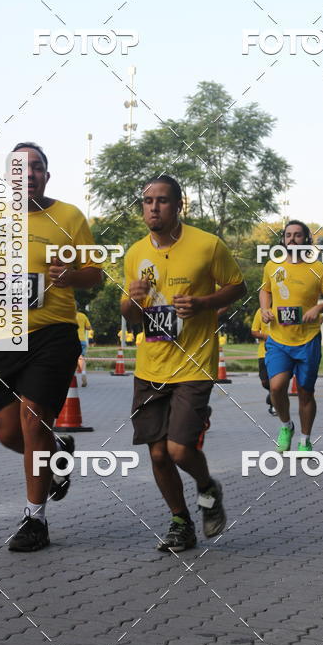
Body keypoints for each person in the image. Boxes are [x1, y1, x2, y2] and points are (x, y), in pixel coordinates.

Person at [0, 142, 103, 552]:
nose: (28, 174)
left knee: (32, 420)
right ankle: (59, 451)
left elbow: (95, 274)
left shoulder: (69, 217)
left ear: (47, 175)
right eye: (19, 169)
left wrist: (71, 276)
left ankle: (35, 520)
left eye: (37, 168)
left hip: (53, 332)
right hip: (6, 333)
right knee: (10, 432)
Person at [121, 175, 246, 554]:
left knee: (178, 450)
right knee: (157, 453)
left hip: (193, 366)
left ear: (179, 205)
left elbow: (237, 287)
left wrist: (205, 303)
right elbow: (128, 315)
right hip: (150, 366)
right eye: (147, 200)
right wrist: (134, 301)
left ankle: (207, 486)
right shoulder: (135, 254)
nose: (153, 207)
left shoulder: (208, 245)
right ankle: (180, 521)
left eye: (162, 200)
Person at [259, 220, 323, 453]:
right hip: (279, 338)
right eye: (288, 235)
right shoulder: (272, 266)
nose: (292, 239)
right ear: (283, 240)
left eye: (297, 235)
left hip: (307, 339)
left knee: (305, 391)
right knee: (276, 387)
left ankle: (305, 439)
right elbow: (265, 289)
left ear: (306, 240)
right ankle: (286, 426)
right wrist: (266, 309)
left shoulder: (319, 269)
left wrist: (318, 308)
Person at [251, 308, 274, 415]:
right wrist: (267, 337)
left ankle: (274, 405)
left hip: (280, 351)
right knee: (265, 381)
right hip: (263, 352)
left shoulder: (283, 308)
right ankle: (272, 393)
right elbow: (254, 331)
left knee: (277, 380)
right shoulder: (260, 311)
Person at [75, 308, 92, 388]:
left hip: (70, 340)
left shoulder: (68, 314)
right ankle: (83, 373)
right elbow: (88, 327)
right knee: (81, 358)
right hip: (81, 340)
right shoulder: (83, 315)